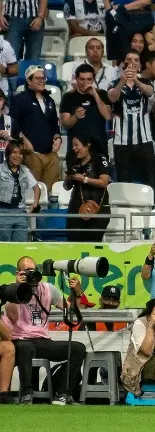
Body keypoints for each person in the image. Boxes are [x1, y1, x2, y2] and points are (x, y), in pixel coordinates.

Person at [1, 256, 87, 405]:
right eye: (27, 271)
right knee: (25, 347)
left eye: (33, 270)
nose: (31, 273)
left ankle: (63, 392)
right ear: (19, 273)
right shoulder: (10, 289)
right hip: (19, 339)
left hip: (42, 340)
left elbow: (70, 312)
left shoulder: (48, 289)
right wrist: (17, 287)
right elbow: (12, 315)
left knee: (78, 348)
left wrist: (78, 293)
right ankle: (27, 393)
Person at [107, 51, 155, 188]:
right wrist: (123, 80)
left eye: (136, 60)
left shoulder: (146, 81)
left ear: (140, 65)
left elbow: (150, 92)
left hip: (144, 140)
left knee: (150, 180)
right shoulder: (115, 83)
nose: (132, 63)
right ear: (123, 64)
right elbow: (112, 97)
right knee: (124, 182)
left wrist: (135, 80)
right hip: (121, 141)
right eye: (129, 60)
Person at [11, 66, 62, 191]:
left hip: (50, 154)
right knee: (32, 191)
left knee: (49, 191)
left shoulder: (49, 101)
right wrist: (24, 140)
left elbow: (54, 124)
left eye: (43, 78)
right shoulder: (20, 99)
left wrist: (58, 138)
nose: (42, 81)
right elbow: (12, 123)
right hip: (31, 154)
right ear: (29, 81)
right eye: (38, 78)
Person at [63, 135, 111, 242]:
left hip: (98, 208)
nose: (73, 148)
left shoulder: (99, 159)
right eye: (72, 145)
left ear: (87, 146)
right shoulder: (74, 161)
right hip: (76, 208)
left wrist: (84, 179)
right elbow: (66, 187)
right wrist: (68, 178)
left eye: (76, 145)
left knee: (92, 244)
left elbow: (104, 182)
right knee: (73, 241)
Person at [60, 64, 112, 158]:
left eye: (89, 79)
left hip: (99, 148)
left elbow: (107, 116)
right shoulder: (68, 97)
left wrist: (95, 95)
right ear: (76, 78)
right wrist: (75, 116)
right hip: (76, 150)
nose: (85, 82)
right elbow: (65, 124)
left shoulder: (102, 94)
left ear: (93, 79)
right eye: (82, 79)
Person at [0, 142, 39, 242]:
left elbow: (36, 187)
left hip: (20, 213)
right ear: (8, 154)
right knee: (5, 248)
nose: (17, 156)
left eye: (20, 153)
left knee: (20, 246)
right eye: (14, 152)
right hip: (3, 213)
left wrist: (35, 203)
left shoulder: (25, 170)